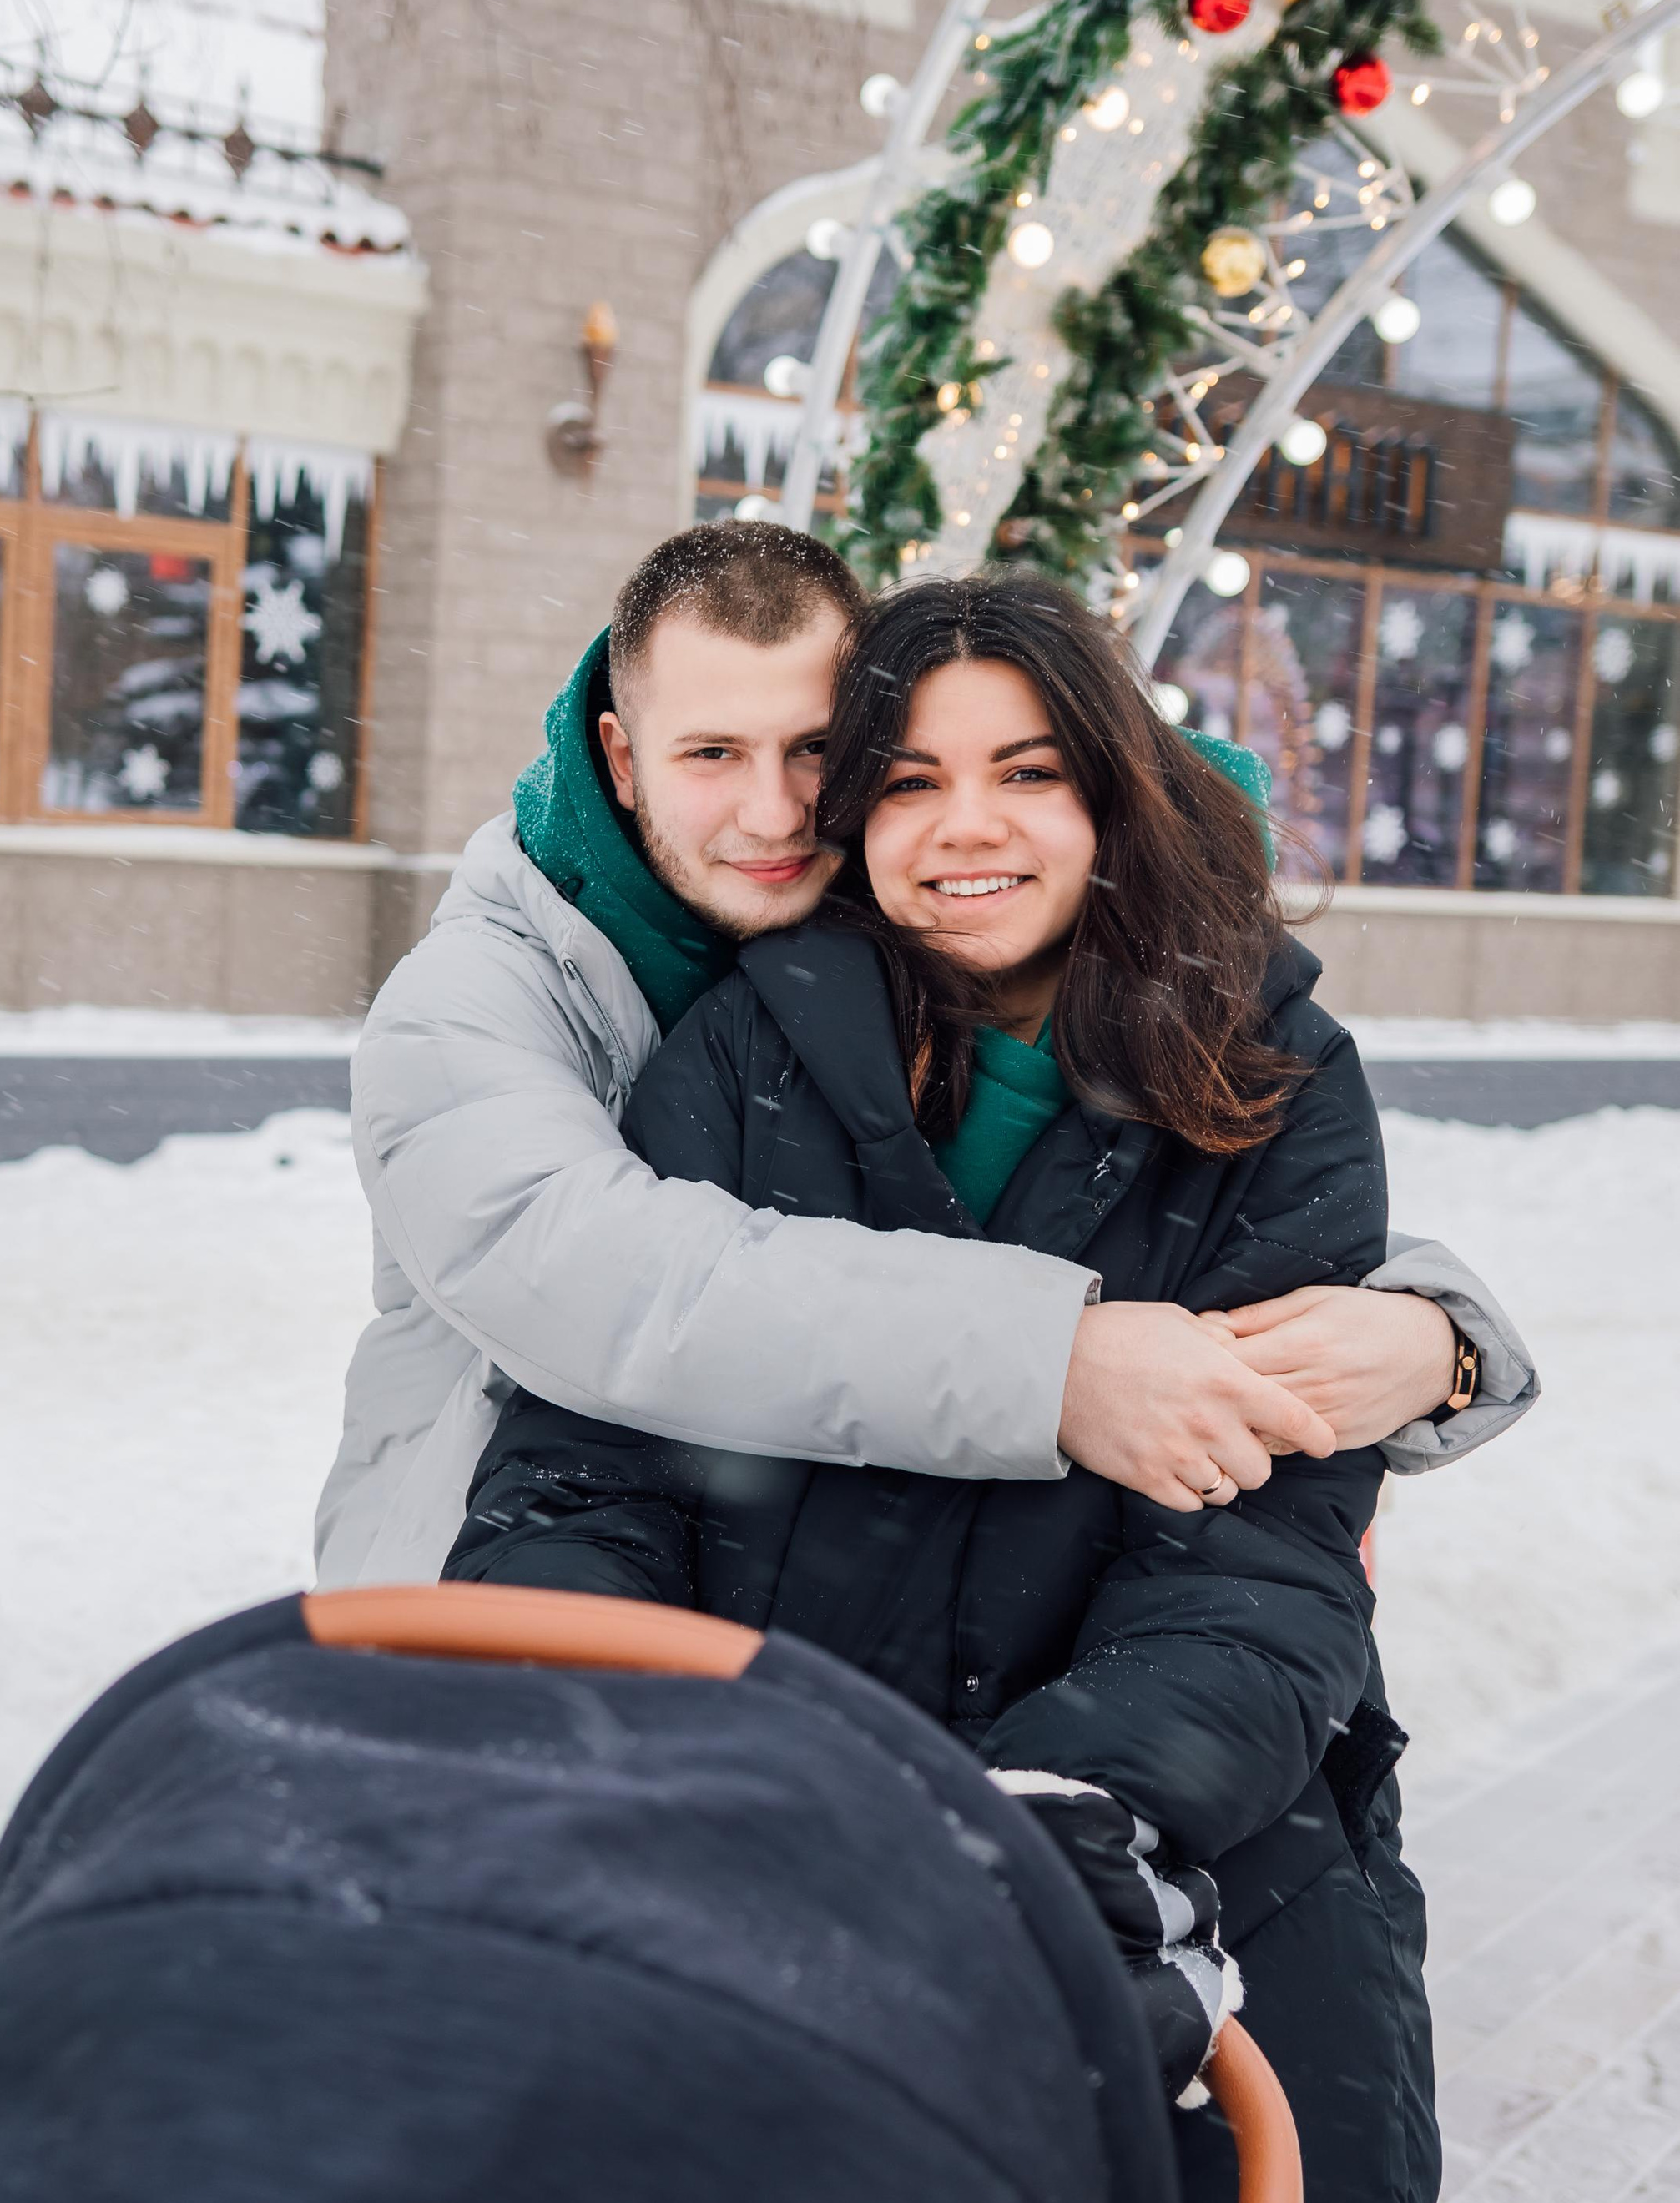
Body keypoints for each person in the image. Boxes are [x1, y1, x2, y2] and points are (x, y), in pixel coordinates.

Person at [446, 570, 1443, 2203]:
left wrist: (1077, 1800)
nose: (963, 826)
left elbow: (1258, 1555)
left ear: (1112, 791)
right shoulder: (742, 1055)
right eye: (906, 782)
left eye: (1027, 772)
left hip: (1123, 1868)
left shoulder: (1268, 1078)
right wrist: (632, 1738)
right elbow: (592, 1468)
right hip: (760, 1841)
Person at [316, 522, 1534, 1590]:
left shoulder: (883, 950)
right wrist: (1053, 1365)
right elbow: (618, 1289)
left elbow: (1146, 1186)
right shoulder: (473, 1001)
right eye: (711, 754)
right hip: (474, 1610)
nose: (776, 813)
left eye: (814, 750)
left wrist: (1436, 1334)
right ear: (624, 762)